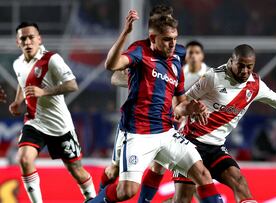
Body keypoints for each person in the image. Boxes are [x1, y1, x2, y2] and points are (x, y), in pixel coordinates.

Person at [171, 44, 276, 203]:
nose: (245, 71)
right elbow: (180, 104)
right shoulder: (212, 78)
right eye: (240, 66)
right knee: (183, 200)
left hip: (215, 148)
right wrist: (192, 109)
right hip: (189, 143)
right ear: (231, 61)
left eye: (249, 67)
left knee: (239, 181)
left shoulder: (256, 86)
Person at [88, 15, 223, 203]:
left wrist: (192, 108)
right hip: (139, 133)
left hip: (166, 132)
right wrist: (125, 34)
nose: (172, 44)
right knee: (127, 191)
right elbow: (111, 65)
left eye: (175, 39)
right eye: (167, 39)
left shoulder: (176, 63)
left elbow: (180, 104)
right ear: (153, 39)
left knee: (202, 173)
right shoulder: (140, 52)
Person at [8, 22, 96, 202]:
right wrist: (18, 101)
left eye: (31, 37)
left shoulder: (51, 59)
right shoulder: (18, 63)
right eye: (23, 38)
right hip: (34, 122)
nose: (27, 41)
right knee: (24, 159)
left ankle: (93, 198)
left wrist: (44, 92)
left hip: (59, 126)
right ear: (18, 42)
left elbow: (72, 84)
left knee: (76, 170)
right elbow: (21, 80)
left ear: (39, 39)